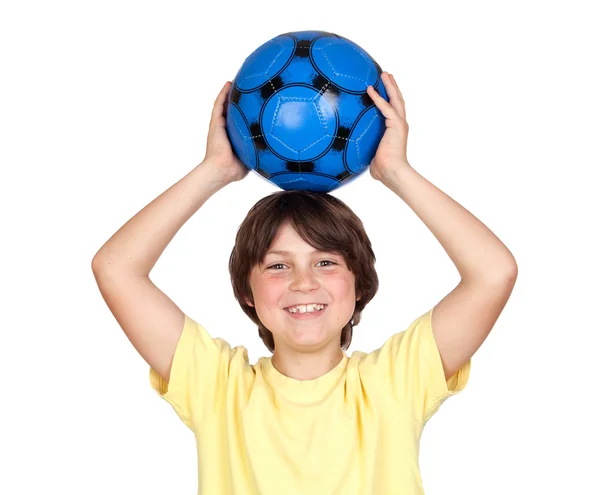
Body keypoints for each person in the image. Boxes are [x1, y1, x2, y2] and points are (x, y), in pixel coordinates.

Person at [91, 72, 518, 494]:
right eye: (278, 266)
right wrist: (213, 171)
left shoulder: (395, 383)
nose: (303, 282)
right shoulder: (217, 388)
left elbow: (493, 273)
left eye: (326, 262)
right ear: (246, 291)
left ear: (360, 285)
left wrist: (396, 172)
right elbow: (115, 268)